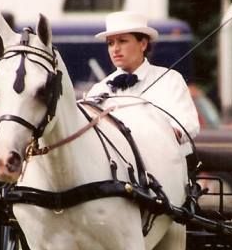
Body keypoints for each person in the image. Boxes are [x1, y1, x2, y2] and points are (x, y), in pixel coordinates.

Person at [86, 11, 200, 151]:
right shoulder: (99, 89)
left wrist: (164, 136)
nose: (115, 49)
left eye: (122, 41)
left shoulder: (170, 80)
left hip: (166, 165)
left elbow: (188, 124)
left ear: (143, 44)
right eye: (110, 43)